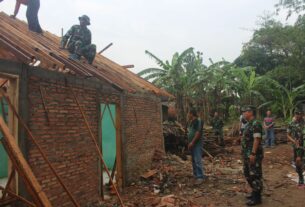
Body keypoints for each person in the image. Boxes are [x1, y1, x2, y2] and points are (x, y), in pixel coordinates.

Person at [241, 105, 264, 206]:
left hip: (253, 154)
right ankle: (254, 192)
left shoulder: (256, 123)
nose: (243, 113)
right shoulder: (248, 124)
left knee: (255, 175)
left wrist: (253, 153)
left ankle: (257, 198)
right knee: (247, 174)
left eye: (244, 111)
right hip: (247, 154)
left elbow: (257, 139)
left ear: (250, 112)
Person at [287, 108, 305, 187]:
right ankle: (300, 175)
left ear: (302, 114)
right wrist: (294, 141)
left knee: (300, 161)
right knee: (297, 162)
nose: (297, 116)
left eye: (299, 114)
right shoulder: (291, 123)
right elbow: (288, 135)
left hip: (303, 145)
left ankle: (301, 178)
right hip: (296, 146)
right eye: (296, 114)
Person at [187, 108, 204, 185]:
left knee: (197, 160)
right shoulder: (191, 122)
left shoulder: (198, 121)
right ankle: (196, 175)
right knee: (193, 160)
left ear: (191, 114)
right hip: (192, 143)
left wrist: (192, 142)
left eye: (188, 113)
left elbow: (198, 133)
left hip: (196, 144)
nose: (188, 115)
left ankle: (200, 177)